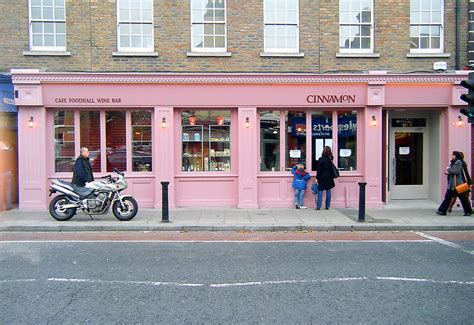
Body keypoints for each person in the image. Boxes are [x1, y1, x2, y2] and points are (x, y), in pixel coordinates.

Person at [436, 151, 472, 216]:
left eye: (453, 155)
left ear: (455, 156)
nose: (452, 156)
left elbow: (456, 171)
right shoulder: (453, 162)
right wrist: (448, 170)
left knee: (462, 198)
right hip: (453, 184)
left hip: (457, 184)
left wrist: (449, 169)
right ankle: (442, 210)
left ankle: (468, 211)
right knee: (448, 197)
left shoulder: (458, 162)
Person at [315, 146, 336, 210]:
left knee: (320, 191)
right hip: (329, 177)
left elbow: (319, 170)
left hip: (322, 177)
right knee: (328, 191)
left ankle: (318, 206)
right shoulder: (331, 159)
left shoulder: (321, 159)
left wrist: (317, 178)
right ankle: (327, 206)